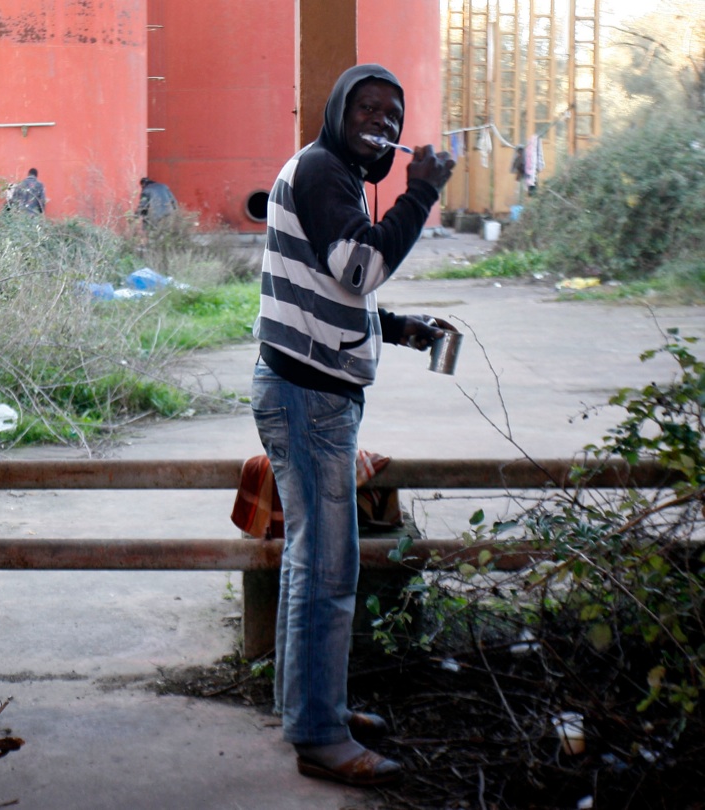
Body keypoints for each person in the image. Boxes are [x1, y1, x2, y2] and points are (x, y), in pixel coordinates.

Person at [251, 64, 456, 787]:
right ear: (339, 111)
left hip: (311, 390)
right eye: (369, 108)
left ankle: (309, 709)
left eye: (394, 116)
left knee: (315, 561)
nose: (384, 124)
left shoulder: (334, 174)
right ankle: (319, 734)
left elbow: (333, 284)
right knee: (329, 569)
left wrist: (396, 329)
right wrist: (423, 192)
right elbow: (362, 264)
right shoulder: (323, 171)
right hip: (308, 399)